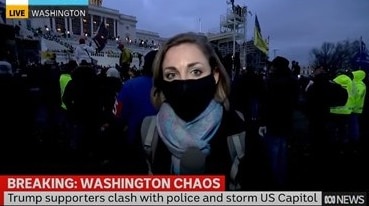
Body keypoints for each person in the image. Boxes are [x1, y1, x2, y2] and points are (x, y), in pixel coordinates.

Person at [147, 32, 245, 189]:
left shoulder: (240, 133)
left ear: (215, 75)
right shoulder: (147, 134)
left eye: (196, 72)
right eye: (171, 75)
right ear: (162, 83)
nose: (184, 82)